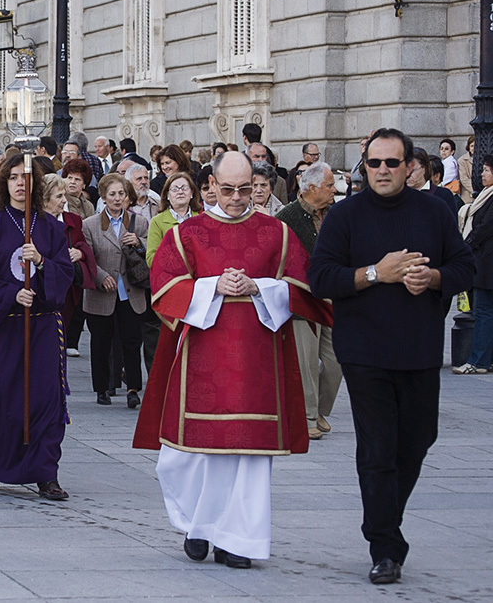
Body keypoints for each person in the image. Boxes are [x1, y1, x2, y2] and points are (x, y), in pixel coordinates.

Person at [133, 151, 331, 570]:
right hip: (201, 359)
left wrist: (260, 288)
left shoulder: (276, 233)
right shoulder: (189, 234)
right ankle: (198, 525)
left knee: (249, 457)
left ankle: (238, 540)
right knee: (187, 455)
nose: (237, 197)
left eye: (246, 189)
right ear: (211, 187)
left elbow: (302, 287)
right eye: (228, 189)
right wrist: (212, 286)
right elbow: (164, 286)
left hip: (258, 362)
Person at [308, 128, 474, 585]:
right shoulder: (345, 216)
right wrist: (373, 274)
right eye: (374, 163)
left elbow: (466, 267)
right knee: (379, 449)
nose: (382, 170)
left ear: (409, 167)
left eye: (391, 163)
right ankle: (384, 545)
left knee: (418, 442)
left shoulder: (435, 212)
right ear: (365, 167)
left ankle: (383, 522)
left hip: (419, 350)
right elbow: (321, 278)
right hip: (364, 352)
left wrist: (435, 278)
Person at [0, 154, 74, 499]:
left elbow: (65, 273)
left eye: (25, 177)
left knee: (44, 399)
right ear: (3, 183)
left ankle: (45, 472)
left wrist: (42, 263)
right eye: (12, 177)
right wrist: (13, 294)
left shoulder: (51, 228)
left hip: (41, 329)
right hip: (3, 329)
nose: (19, 183)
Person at [276, 162, 342, 439]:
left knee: (337, 361)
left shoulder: (336, 213)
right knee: (304, 362)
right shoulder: (286, 218)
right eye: (329, 185)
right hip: (302, 303)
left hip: (332, 300)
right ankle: (307, 416)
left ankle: (320, 411)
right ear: (311, 188)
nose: (334, 190)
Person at [82, 173, 148, 408]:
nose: (118, 198)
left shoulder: (138, 221)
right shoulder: (90, 224)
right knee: (101, 341)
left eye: (121, 193)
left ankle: (133, 388)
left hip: (130, 291)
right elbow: (87, 258)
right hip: (103, 292)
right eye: (112, 194)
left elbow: (150, 249)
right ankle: (102, 388)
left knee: (132, 341)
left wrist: (139, 243)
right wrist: (101, 277)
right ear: (103, 197)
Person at [42, 174, 96, 345]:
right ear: (44, 199)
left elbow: (83, 244)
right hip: (42, 288)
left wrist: (80, 253)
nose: (65, 200)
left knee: (60, 341)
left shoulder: (74, 220)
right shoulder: (32, 222)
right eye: (59, 196)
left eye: (64, 195)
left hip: (68, 290)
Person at [455, 154, 493, 374]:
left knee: (483, 311)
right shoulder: (485, 195)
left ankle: (478, 361)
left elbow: (485, 228)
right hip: (484, 261)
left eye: (487, 170)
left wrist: (466, 245)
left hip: (486, 264)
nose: (482, 174)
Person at [146, 172, 202, 267]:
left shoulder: (201, 218)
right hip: (171, 277)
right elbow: (151, 259)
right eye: (175, 189)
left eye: (184, 188)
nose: (180, 192)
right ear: (167, 195)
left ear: (192, 193)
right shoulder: (157, 221)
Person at [458, 135, 475, 203]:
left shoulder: (485, 159)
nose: (474, 148)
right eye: (472, 146)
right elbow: (464, 179)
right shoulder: (462, 160)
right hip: (468, 196)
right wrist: (475, 191)